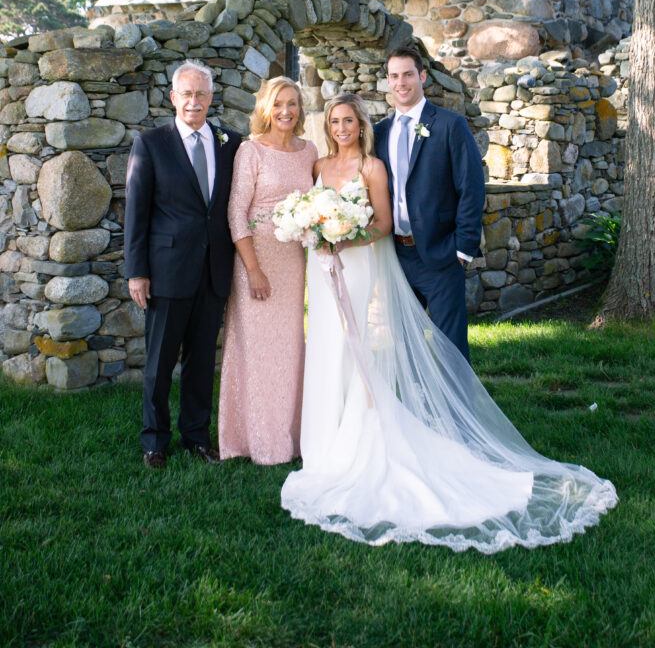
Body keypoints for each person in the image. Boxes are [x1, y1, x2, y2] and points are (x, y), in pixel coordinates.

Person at [281, 92, 618, 553]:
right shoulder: (318, 166)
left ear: (361, 125)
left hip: (355, 265)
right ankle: (320, 442)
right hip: (322, 273)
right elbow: (315, 210)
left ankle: (384, 431)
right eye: (335, 121)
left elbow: (379, 222)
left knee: (355, 346)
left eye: (349, 121)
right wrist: (315, 231)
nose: (341, 128)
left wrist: (342, 238)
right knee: (324, 347)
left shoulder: (373, 166)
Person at [125, 59, 241, 469]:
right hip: (167, 271)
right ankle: (155, 441)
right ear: (173, 97)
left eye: (202, 94)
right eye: (187, 94)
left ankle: (196, 436)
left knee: (200, 362)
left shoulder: (231, 143)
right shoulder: (151, 143)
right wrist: (136, 272)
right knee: (158, 364)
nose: (194, 101)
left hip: (214, 271)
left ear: (211, 97)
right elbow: (136, 213)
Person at [218, 76, 318, 464]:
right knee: (255, 351)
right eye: (278, 104)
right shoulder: (250, 151)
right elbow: (235, 213)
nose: (286, 111)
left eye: (292, 103)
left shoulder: (309, 151)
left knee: (290, 349)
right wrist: (254, 269)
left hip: (293, 262)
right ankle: (253, 440)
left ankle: (290, 438)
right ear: (265, 109)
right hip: (254, 262)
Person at [373, 45, 485, 361]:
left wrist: (461, 250)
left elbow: (471, 189)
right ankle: (417, 409)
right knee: (405, 350)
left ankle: (456, 410)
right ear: (388, 81)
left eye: (408, 74)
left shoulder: (451, 125)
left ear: (422, 75)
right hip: (396, 256)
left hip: (442, 255)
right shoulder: (380, 132)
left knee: (450, 349)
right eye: (394, 76)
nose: (401, 82)